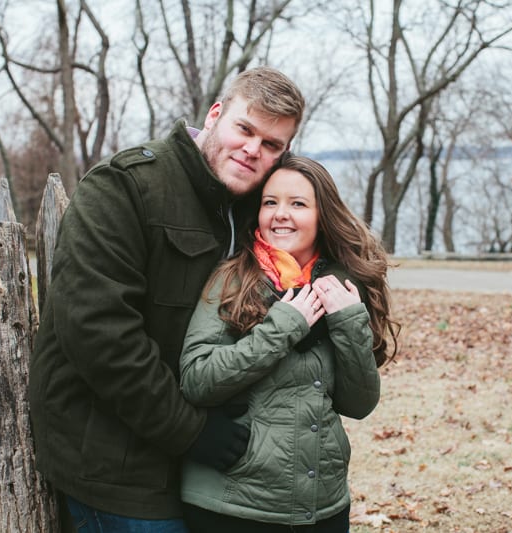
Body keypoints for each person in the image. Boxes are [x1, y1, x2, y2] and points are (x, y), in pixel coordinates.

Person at [28, 66, 305, 532]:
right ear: (215, 114)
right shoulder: (125, 186)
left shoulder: (256, 209)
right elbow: (100, 336)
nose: (254, 150)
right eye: (245, 129)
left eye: (273, 144)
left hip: (212, 471)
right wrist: (191, 431)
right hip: (117, 465)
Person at [178, 153, 400, 532]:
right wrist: (284, 326)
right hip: (234, 506)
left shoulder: (342, 286)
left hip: (323, 506)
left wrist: (347, 322)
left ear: (322, 215)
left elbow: (359, 404)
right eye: (270, 202)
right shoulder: (232, 280)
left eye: (297, 204)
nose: (281, 214)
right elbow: (197, 379)